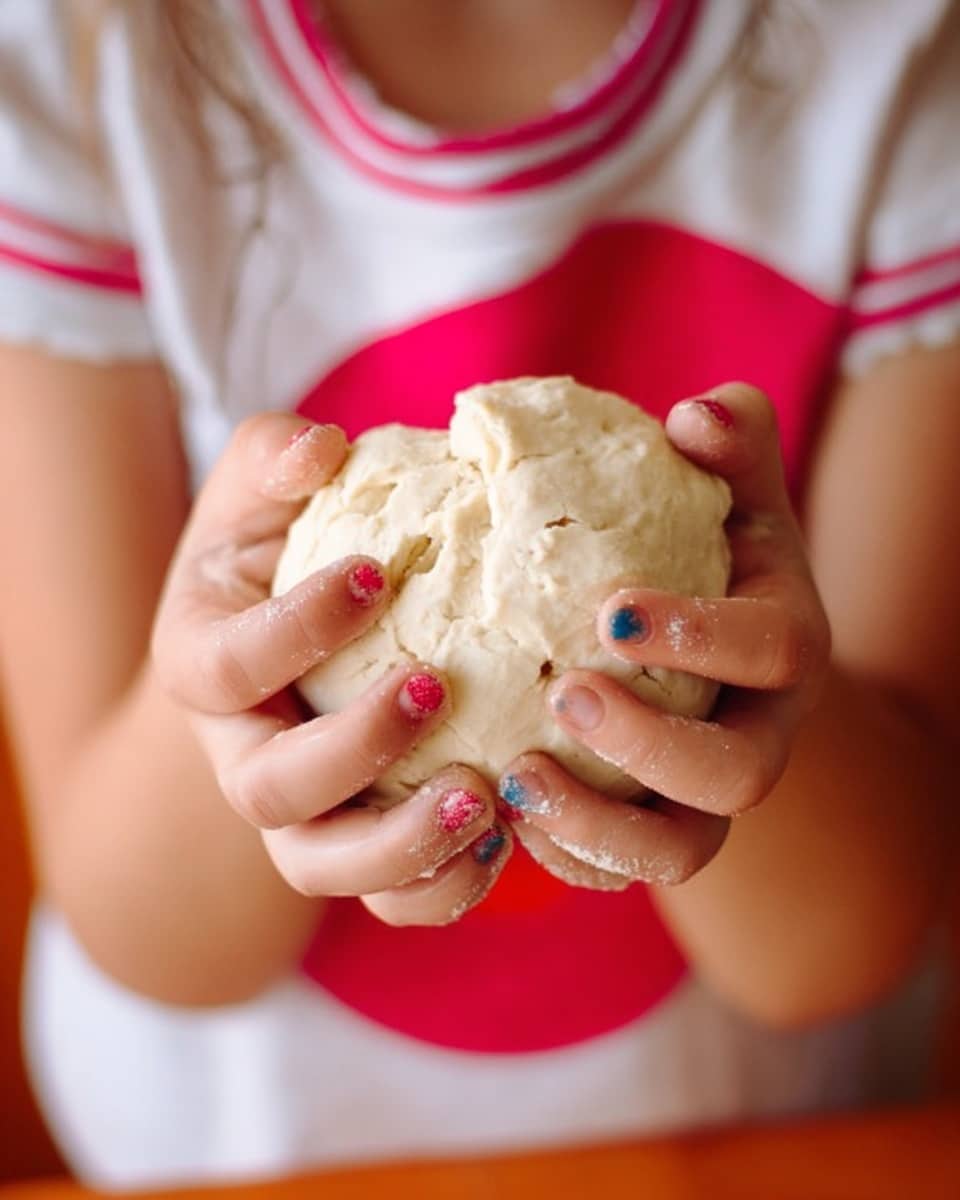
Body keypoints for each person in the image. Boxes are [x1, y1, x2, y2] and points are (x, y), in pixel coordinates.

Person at [0, 0, 958, 1188]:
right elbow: (148, 934)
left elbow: (840, 949)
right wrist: (227, 698)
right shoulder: (87, 83)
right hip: (257, 1152)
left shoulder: (891, 55)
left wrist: (748, 707)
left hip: (727, 1141)